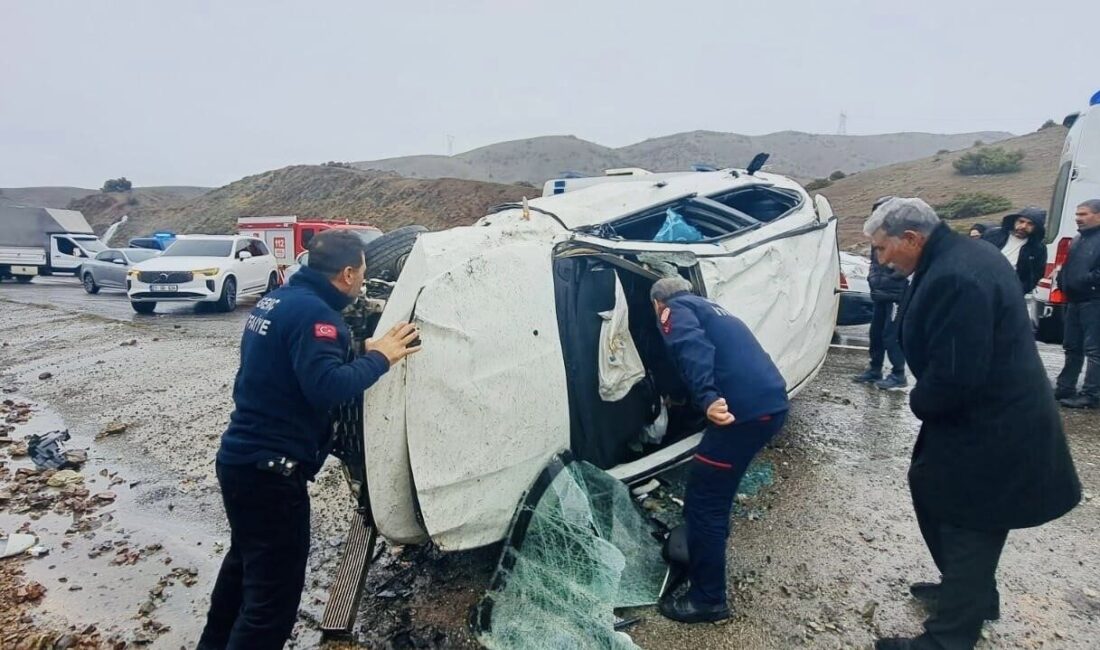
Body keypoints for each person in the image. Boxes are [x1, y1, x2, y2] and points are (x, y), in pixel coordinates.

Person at [864, 198, 1080, 650]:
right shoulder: (961, 254)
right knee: (939, 497)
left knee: (968, 520)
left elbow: (958, 372)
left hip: (990, 422)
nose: (881, 260)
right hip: (983, 415)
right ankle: (972, 594)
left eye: (884, 249)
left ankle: (949, 639)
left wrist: (922, 399)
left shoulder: (957, 274)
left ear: (911, 238)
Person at [197, 229, 421, 649]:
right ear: (348, 273)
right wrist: (380, 357)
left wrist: (356, 350)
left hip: (240, 462)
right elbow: (327, 387)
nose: (363, 282)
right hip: (272, 476)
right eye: (362, 273)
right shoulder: (319, 317)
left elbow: (295, 367)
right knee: (270, 607)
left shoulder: (279, 300)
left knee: (242, 574)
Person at [650, 277, 789, 624]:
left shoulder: (674, 310)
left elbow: (692, 348)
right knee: (719, 492)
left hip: (739, 416)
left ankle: (708, 599)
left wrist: (709, 398)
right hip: (771, 404)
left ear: (657, 303)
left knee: (703, 503)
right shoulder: (716, 309)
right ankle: (707, 548)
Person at [854, 196, 908, 390]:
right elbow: (876, 263)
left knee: (891, 335)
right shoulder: (879, 236)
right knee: (876, 332)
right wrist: (872, 278)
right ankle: (874, 369)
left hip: (896, 294)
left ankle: (899, 374)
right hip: (880, 293)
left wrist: (895, 274)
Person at [1055, 199, 1100, 408]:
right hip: (1074, 300)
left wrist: (1084, 282)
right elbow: (1068, 266)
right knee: (1072, 346)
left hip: (1094, 301)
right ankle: (1065, 387)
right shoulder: (1079, 238)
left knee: (1094, 349)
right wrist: (1062, 282)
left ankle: (1092, 395)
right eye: (1077, 214)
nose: (1077, 218)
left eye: (1083, 214)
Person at [981, 207, 1048, 294]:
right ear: (1014, 221)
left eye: (1030, 224)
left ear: (1036, 228)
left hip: (1008, 293)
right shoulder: (993, 235)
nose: (1023, 226)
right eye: (1021, 221)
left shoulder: (1038, 249)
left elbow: (1035, 276)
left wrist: (1017, 292)